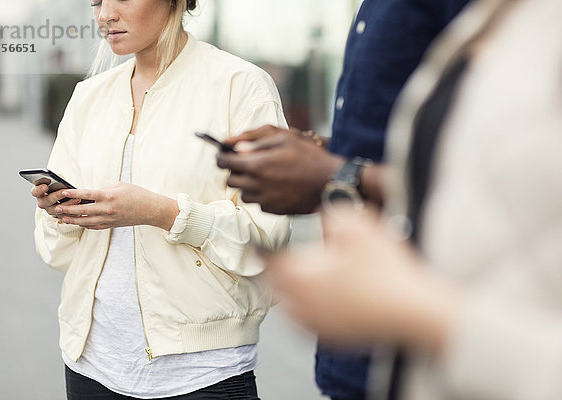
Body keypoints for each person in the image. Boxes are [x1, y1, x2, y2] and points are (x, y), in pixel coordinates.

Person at [265, 0, 562, 399]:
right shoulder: (503, 21)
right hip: (397, 353)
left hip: (436, 333)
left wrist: (337, 174)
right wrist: (319, 157)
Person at [31, 1, 290, 399]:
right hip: (91, 363)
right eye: (97, 1)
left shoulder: (240, 86)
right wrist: (59, 213)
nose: (105, 15)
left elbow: (266, 240)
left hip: (203, 371)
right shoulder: (88, 97)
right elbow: (57, 255)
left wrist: (164, 213)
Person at [217, 1, 469, 398]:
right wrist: (319, 153)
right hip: (358, 345)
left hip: (432, 347)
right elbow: (406, 142)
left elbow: (502, 176)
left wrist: (336, 175)